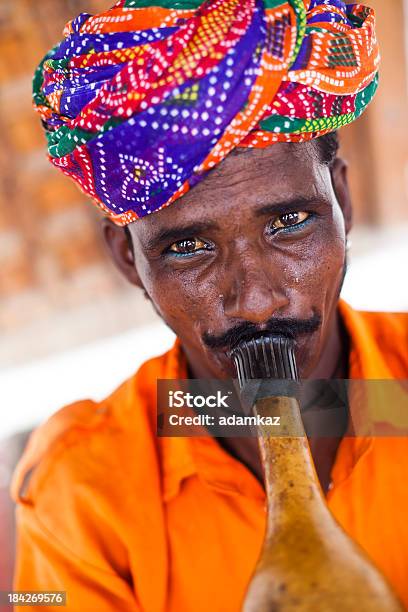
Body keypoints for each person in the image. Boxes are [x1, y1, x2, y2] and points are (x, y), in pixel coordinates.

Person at [11, 1, 408, 610]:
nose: (255, 300)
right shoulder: (81, 486)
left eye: (291, 223)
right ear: (126, 258)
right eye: (189, 248)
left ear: (344, 205)